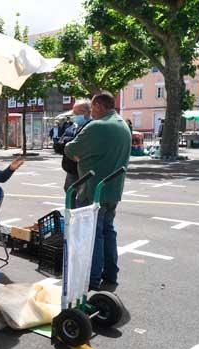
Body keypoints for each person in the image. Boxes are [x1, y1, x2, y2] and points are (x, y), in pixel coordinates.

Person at [65, 92, 131, 292]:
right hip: (113, 189)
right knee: (108, 230)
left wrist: (77, 154)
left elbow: (70, 149)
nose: (91, 112)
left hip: (94, 190)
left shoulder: (97, 126)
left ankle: (92, 279)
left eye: (93, 108)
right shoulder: (122, 124)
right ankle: (110, 273)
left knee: (93, 235)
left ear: (100, 106)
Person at [59, 99, 92, 190]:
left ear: (89, 112)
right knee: (69, 191)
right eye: (75, 113)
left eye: (79, 113)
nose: (76, 116)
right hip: (71, 169)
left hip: (82, 170)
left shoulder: (92, 126)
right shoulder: (73, 127)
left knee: (79, 197)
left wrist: (68, 142)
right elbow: (60, 144)